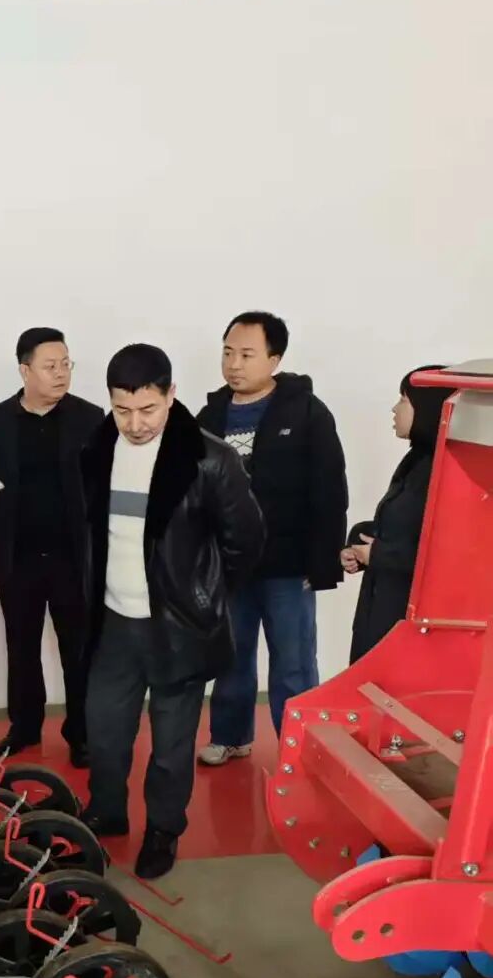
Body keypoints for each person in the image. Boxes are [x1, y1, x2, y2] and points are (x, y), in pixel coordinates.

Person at [83, 344, 263, 879]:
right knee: (104, 732)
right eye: (122, 410)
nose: (135, 424)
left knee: (171, 745)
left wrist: (203, 595)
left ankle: (163, 829)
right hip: (114, 623)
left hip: (178, 627)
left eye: (148, 409)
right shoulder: (96, 449)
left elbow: (246, 540)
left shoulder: (209, 459)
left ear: (171, 396)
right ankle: (107, 812)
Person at [195, 311, 347, 760]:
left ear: (275, 359)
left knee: (294, 663)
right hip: (229, 566)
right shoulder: (210, 415)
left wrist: (322, 563)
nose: (234, 364)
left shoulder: (307, 412)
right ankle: (230, 736)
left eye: (246, 355)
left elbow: (329, 491)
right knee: (230, 657)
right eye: (228, 353)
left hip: (289, 566)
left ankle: (299, 750)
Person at [0, 329, 102, 767]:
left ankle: (82, 733)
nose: (61, 373)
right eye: (50, 366)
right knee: (21, 648)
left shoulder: (89, 417)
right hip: (17, 557)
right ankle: (24, 727)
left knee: (78, 650)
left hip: (73, 559)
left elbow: (102, 481)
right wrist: (10, 514)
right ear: (25, 370)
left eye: (66, 364)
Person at [345, 366, 452, 662]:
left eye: (403, 400)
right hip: (383, 608)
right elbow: (403, 525)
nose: (395, 409)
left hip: (408, 620)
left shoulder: (445, 469)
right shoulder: (417, 460)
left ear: (428, 409)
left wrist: (378, 554)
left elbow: (445, 552)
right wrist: (360, 539)